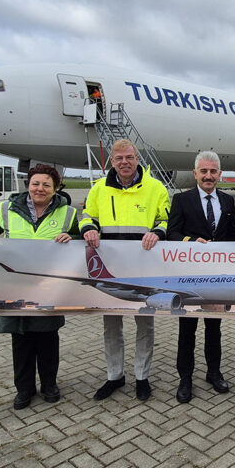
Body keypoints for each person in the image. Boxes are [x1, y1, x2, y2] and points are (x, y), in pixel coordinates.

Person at [0, 164, 79, 410]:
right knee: (21, 339)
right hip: (15, 285)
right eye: (36, 184)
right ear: (28, 185)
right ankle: (24, 389)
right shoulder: (7, 210)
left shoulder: (68, 213)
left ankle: (49, 385)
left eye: (46, 185)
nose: (40, 189)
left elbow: (81, 238)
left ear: (55, 188)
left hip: (49, 286)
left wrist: (73, 237)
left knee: (48, 337)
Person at [80, 139, 170, 401]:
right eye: (119, 158)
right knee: (111, 326)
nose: (125, 162)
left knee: (145, 325)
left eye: (129, 157)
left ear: (137, 158)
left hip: (145, 271)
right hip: (112, 273)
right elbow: (87, 216)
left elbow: (165, 219)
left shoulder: (155, 188)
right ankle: (114, 376)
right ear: (111, 161)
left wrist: (157, 233)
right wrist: (88, 229)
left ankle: (142, 377)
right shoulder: (98, 189)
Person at [167, 151, 235, 403]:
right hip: (189, 279)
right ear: (195, 173)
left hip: (217, 279)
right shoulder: (182, 200)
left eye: (213, 171)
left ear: (220, 174)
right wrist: (189, 242)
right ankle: (185, 378)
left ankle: (213, 372)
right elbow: (171, 233)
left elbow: (232, 238)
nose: (208, 176)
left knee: (214, 327)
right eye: (203, 171)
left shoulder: (228, 202)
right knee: (187, 329)